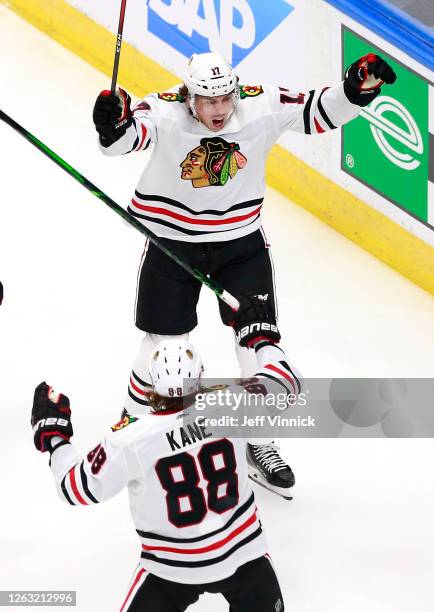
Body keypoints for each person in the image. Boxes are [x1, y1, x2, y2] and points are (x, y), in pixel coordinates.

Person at [92, 50, 396, 493]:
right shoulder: (163, 109)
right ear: (188, 96)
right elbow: (123, 140)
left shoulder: (259, 104)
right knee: (165, 347)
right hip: (172, 243)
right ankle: (135, 430)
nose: (219, 110)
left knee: (257, 341)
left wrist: (354, 89)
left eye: (225, 99)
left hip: (240, 246)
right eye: (208, 101)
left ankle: (259, 442)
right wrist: (109, 124)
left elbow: (317, 111)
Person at [31, 298, 301, 610]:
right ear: (200, 374)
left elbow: (75, 489)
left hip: (170, 569)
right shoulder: (234, 403)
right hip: (245, 556)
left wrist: (55, 435)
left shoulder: (130, 438)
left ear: (151, 385)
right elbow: (287, 381)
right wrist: (262, 339)